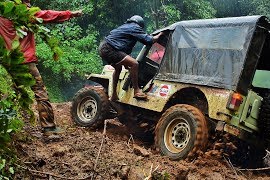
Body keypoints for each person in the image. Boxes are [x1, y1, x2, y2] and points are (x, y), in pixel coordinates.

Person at [0, 0, 82, 136]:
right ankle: (48, 127)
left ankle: (6, 125)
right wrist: (71, 14)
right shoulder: (24, 13)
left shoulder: (3, 14)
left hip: (9, 61)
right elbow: (48, 15)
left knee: (14, 91)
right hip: (24, 60)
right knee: (40, 91)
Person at [99, 15, 163, 101]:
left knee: (118, 69)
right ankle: (137, 91)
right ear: (140, 24)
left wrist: (127, 66)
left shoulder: (125, 27)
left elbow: (123, 50)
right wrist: (161, 34)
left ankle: (114, 95)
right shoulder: (134, 27)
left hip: (104, 47)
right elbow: (149, 40)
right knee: (134, 63)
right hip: (110, 48)